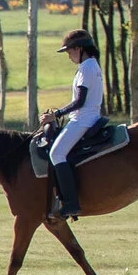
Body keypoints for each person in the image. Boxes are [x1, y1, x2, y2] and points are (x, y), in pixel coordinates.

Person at [41, 28, 104, 220]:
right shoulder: (92, 65)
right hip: (87, 117)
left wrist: (55, 115)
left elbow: (79, 101)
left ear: (79, 49)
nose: (69, 56)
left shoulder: (86, 68)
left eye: (69, 51)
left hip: (83, 119)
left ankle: (71, 204)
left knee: (56, 154)